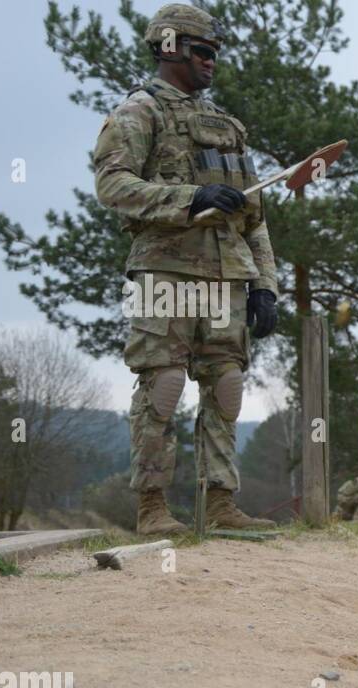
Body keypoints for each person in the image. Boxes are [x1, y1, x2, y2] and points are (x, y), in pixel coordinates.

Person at [94, 3, 277, 535]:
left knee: (227, 386)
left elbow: (255, 216)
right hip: (164, 273)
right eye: (202, 52)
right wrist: (190, 196)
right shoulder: (138, 112)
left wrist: (265, 285)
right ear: (169, 48)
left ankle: (220, 505)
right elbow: (113, 187)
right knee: (165, 385)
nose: (211, 62)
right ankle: (152, 508)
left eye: (216, 53)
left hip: (227, 276)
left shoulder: (227, 128)